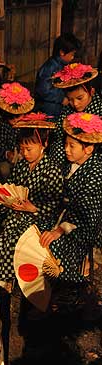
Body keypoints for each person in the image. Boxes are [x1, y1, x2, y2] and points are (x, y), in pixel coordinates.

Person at [0, 114, 63, 288]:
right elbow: (11, 190)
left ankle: (6, 279)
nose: (25, 154)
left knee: (9, 236)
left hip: (38, 218)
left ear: (44, 145)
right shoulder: (20, 166)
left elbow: (55, 204)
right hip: (15, 212)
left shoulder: (52, 171)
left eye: (29, 149)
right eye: (22, 149)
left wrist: (33, 208)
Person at [40, 112, 102, 311]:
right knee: (39, 230)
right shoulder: (73, 165)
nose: (66, 150)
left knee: (58, 246)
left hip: (88, 225)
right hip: (69, 217)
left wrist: (59, 230)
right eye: (65, 144)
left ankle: (73, 292)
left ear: (89, 149)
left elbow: (87, 213)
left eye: (72, 146)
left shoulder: (95, 173)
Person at [48, 63, 101, 169]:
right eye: (70, 99)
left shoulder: (99, 110)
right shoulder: (68, 109)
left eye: (80, 98)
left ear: (92, 91)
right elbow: (59, 133)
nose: (75, 104)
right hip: (69, 152)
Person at [34, 33, 82, 119]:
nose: (72, 57)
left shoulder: (62, 65)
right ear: (62, 52)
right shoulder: (50, 67)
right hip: (48, 109)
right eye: (72, 54)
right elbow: (43, 90)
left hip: (57, 107)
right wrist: (61, 98)